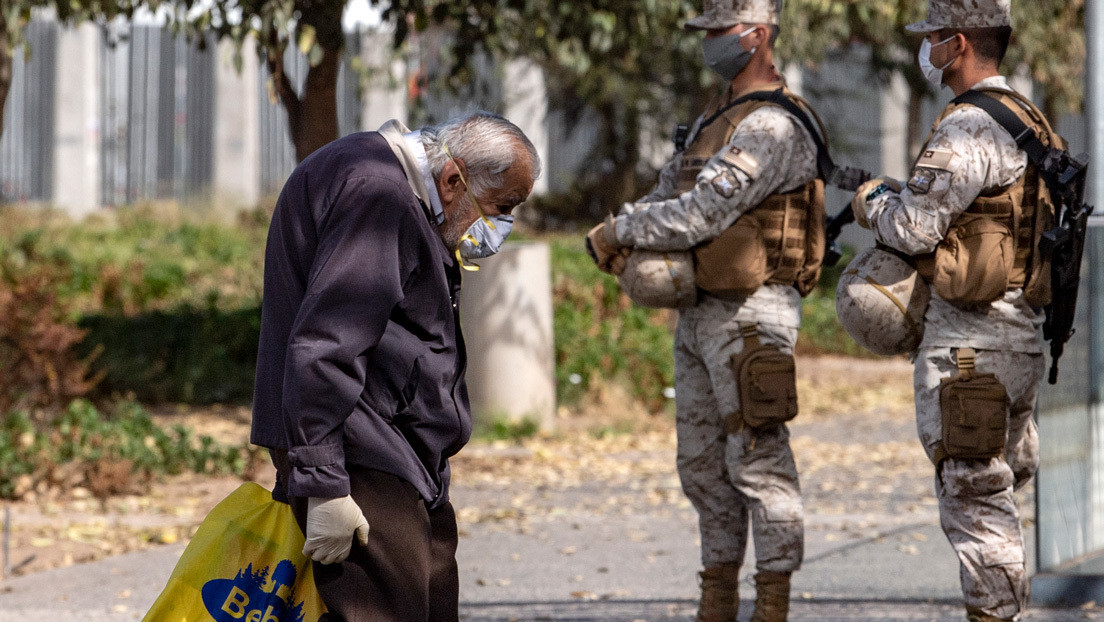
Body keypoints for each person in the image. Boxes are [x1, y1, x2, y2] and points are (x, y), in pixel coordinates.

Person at [250, 111, 540, 621]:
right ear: (453, 180)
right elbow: (326, 344)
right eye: (500, 208)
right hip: (361, 453)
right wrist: (323, 485)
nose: (499, 228)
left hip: (395, 451)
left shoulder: (392, 186)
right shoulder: (378, 193)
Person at [588, 0, 826, 619]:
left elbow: (701, 213)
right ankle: (716, 597)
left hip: (754, 313)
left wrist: (619, 231)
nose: (709, 44)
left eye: (719, 32)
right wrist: (634, 225)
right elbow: (671, 189)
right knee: (702, 467)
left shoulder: (774, 125)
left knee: (759, 461)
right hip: (699, 311)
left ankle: (772, 603)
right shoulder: (714, 119)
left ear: (757, 35)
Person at [849, 1, 1055, 619]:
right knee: (992, 493)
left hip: (971, 349)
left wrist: (872, 201)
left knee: (975, 504)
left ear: (959, 43)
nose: (928, 49)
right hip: (1020, 339)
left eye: (934, 37)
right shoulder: (1031, 120)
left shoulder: (968, 127)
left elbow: (912, 229)